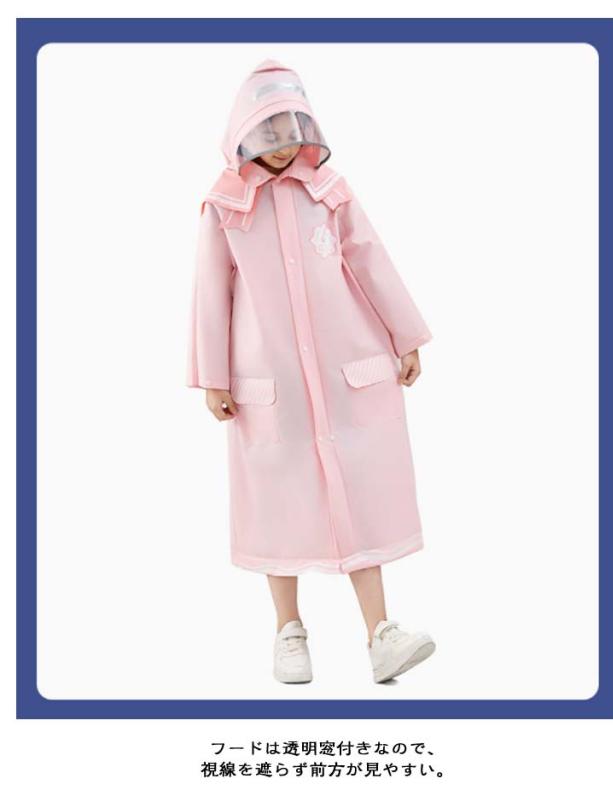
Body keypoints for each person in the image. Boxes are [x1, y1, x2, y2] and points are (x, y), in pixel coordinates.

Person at [186, 59, 436, 684]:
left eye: (291, 128)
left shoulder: (329, 190)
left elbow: (369, 257)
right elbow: (211, 292)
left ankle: (381, 633)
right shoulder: (225, 205)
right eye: (267, 130)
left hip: (343, 368)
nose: (282, 143)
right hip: (270, 382)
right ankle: (288, 630)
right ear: (243, 131)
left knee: (360, 492)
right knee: (277, 498)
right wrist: (213, 377)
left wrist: (405, 335)